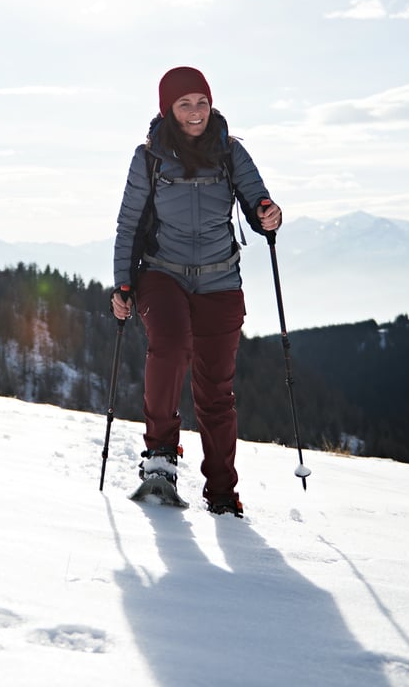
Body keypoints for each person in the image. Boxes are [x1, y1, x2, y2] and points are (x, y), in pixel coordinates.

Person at [111, 66, 281, 516]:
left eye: (202, 102)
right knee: (169, 348)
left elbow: (258, 200)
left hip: (219, 279)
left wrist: (268, 213)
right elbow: (129, 224)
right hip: (162, 274)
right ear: (168, 109)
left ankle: (222, 492)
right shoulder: (149, 157)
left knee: (216, 390)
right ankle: (160, 459)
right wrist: (123, 283)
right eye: (184, 103)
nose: (195, 111)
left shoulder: (230, 151)